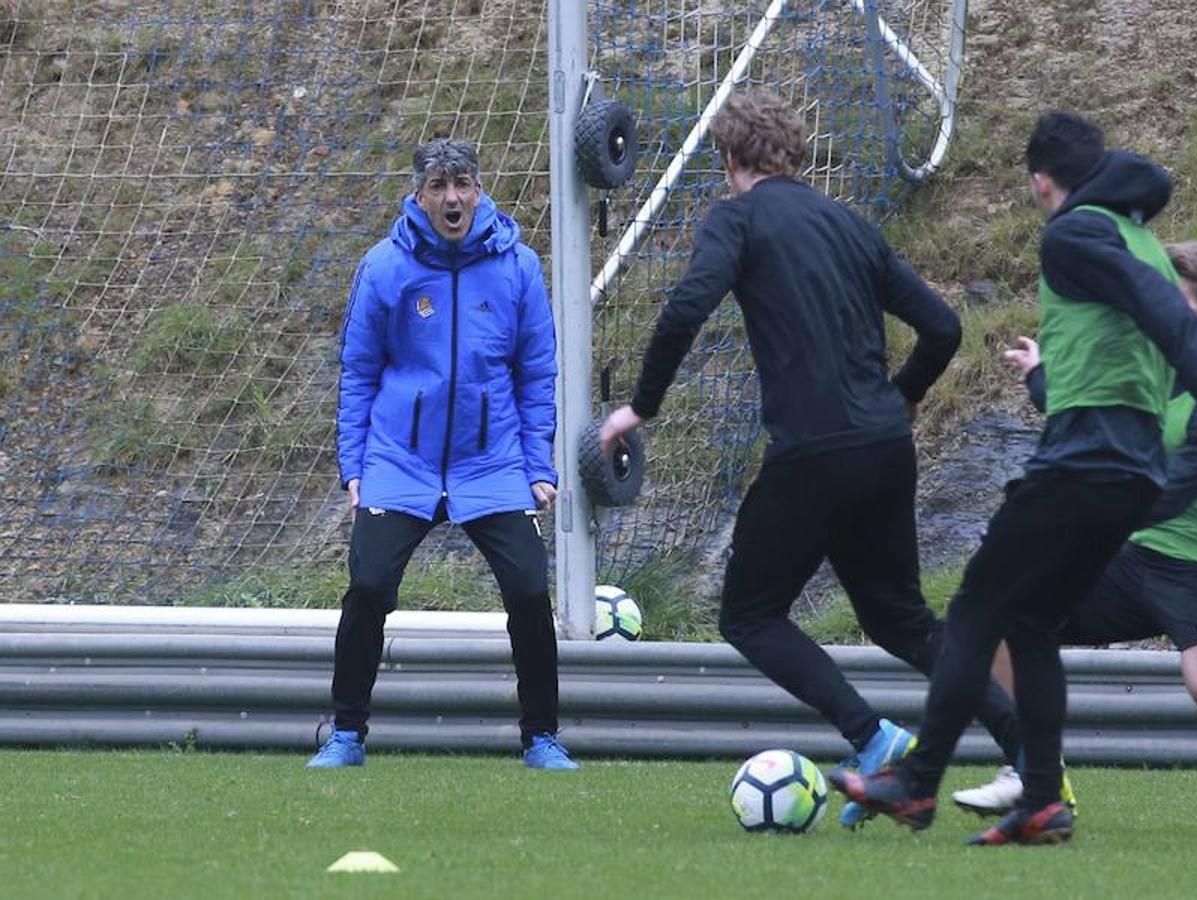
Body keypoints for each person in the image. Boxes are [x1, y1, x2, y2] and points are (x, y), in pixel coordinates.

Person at [829, 111, 1197, 845]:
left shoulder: (1074, 232)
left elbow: (1155, 306)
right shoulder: (1143, 239)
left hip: (1086, 462)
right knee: (1029, 622)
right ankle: (1040, 800)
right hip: (1128, 473)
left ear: (1041, 181)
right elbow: (1127, 332)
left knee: (974, 609)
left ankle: (914, 782)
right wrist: (1049, 380)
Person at [597, 89, 1026, 829]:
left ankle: (874, 739)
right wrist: (903, 397)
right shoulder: (850, 226)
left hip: (814, 453)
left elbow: (686, 307)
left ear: (728, 159)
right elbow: (944, 327)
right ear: (796, 154)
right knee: (903, 623)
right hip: (884, 448)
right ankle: (1030, 754)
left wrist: (642, 405)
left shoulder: (737, 218)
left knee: (750, 614)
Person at [950, 240, 1197, 838]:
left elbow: (1171, 490)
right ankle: (1037, 773)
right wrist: (1041, 381)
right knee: (1005, 614)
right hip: (1134, 561)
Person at [308, 138, 576, 770]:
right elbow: (358, 371)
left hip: (493, 463)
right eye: (439, 186)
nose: (452, 197)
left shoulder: (518, 268)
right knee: (369, 585)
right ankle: (346, 733)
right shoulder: (385, 267)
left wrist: (537, 465)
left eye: (463, 184)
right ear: (419, 194)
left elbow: (537, 374)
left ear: (478, 190)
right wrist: (355, 466)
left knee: (530, 590)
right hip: (400, 461)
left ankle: (541, 736)